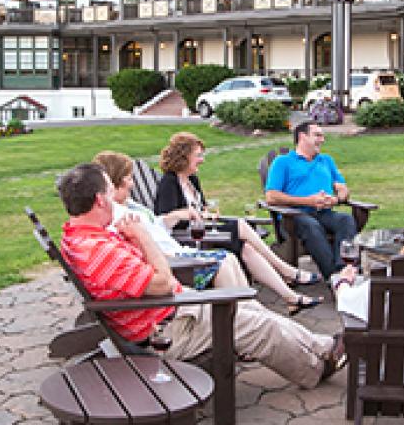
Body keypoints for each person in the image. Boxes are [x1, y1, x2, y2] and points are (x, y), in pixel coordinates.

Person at [56, 161, 345, 388]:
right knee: (260, 328)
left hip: (172, 312)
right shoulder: (99, 250)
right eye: (110, 191)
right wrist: (143, 238)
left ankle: (324, 346)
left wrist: (134, 242)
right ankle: (315, 371)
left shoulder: (80, 236)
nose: (117, 198)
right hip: (166, 331)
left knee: (251, 308)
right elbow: (164, 282)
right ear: (99, 201)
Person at [153, 133, 322, 314]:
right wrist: (193, 216)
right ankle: (285, 270)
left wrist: (207, 214)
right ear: (184, 156)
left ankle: (290, 298)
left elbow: (199, 210)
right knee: (240, 225)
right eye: (198, 155)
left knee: (247, 249)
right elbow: (166, 221)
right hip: (187, 240)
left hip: (205, 232)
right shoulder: (169, 183)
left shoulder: (192, 179)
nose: (202, 160)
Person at [264, 122, 358, 279]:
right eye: (318, 135)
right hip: (294, 216)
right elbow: (271, 196)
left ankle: (342, 270)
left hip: (324, 213)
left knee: (346, 220)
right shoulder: (283, 162)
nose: (322, 139)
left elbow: (343, 188)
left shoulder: (326, 161)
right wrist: (308, 201)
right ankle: (333, 276)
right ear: (302, 137)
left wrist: (335, 199)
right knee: (310, 225)